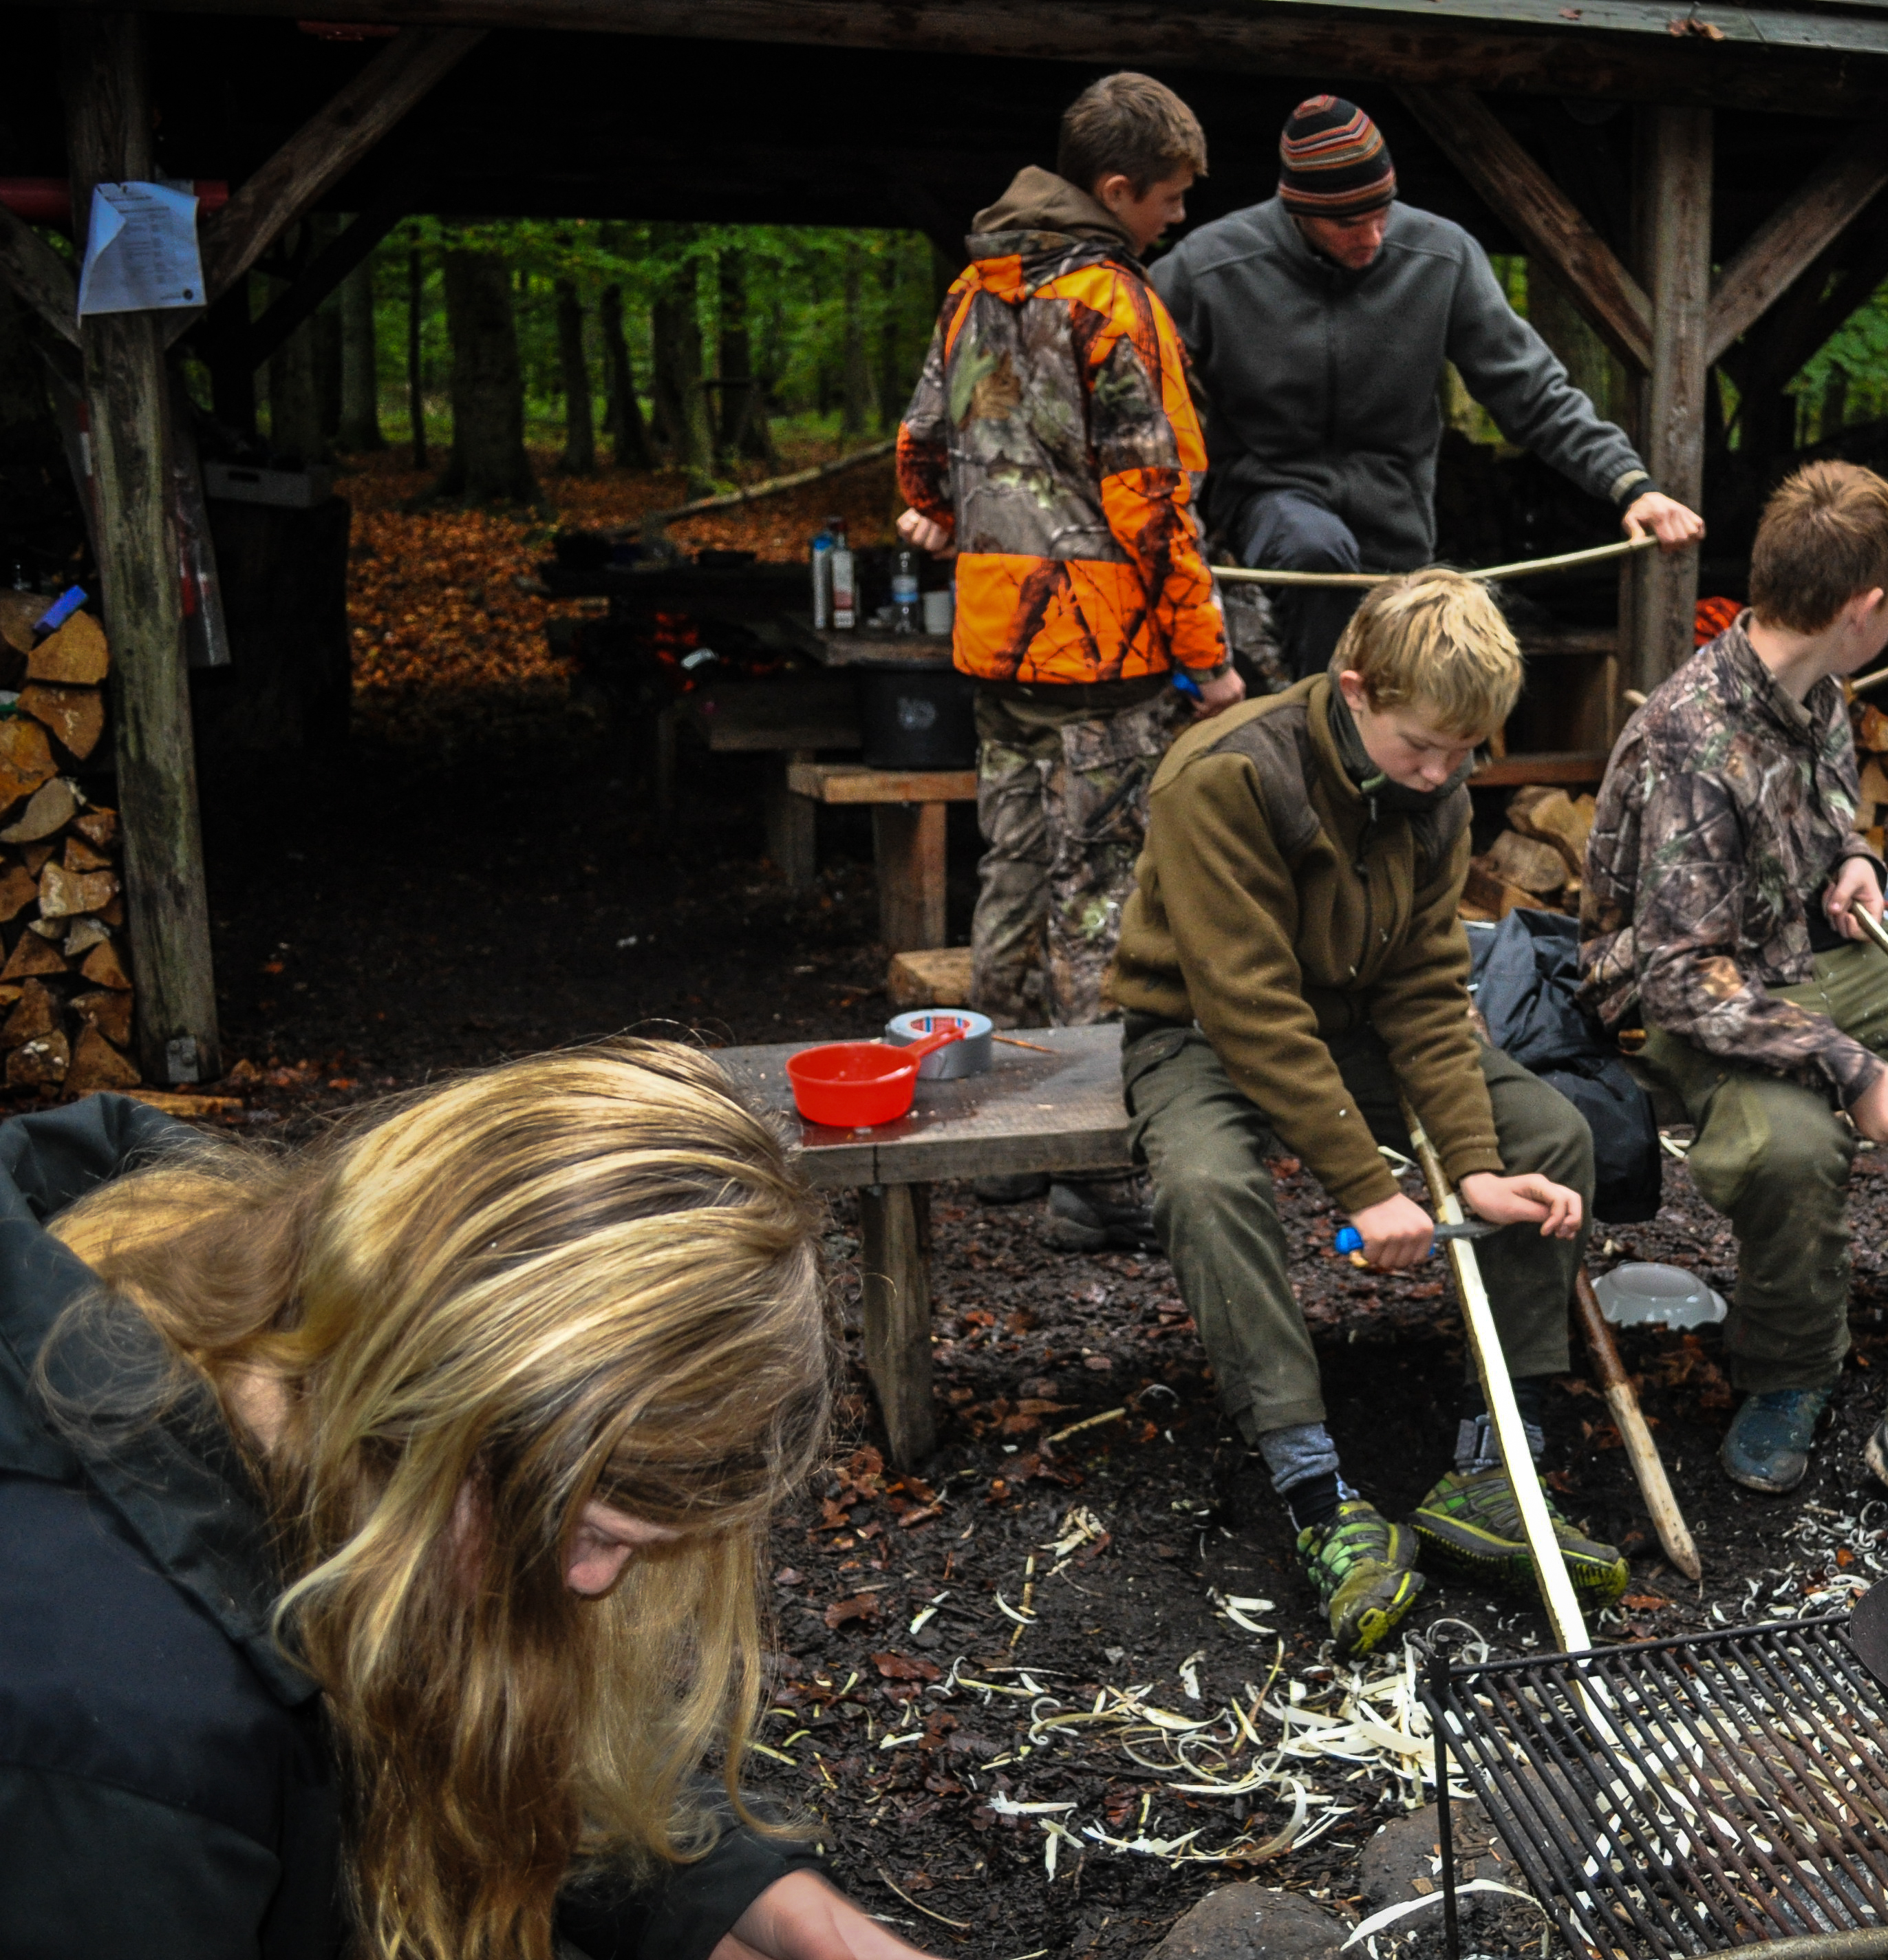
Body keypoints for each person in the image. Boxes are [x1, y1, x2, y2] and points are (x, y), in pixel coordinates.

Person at [0, 1047, 939, 1960]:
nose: (590, 1584)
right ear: (423, 1412)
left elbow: (461, 1713)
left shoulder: (269, 1293)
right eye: (589, 1532)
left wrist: (740, 1905)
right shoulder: (110, 1748)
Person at [1581, 461, 1888, 1555]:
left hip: (1809, 956)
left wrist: (1856, 860)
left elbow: (1829, 806)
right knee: (1790, 1145)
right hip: (1695, 992)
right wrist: (1852, 1070)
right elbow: (1679, 975)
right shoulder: (1688, 737)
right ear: (1863, 609)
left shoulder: (1818, 685)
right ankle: (1790, 1371)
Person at [1112, 568, 1622, 1654]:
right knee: (1206, 1186)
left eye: (1463, 754)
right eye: (1422, 749)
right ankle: (1313, 1493)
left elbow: (1426, 989)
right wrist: (1367, 1189)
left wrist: (1472, 1165)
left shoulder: (1438, 785)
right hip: (1202, 1028)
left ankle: (1493, 1468)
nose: (1442, 775)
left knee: (1551, 1136)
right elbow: (1249, 1008)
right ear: (1355, 691)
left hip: (1356, 1022)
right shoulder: (1225, 777)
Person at [897, 71, 1240, 1250]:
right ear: (1116, 189)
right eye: (1170, 197)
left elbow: (921, 448)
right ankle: (1091, 1171)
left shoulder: (973, 290)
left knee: (1009, 874)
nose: (1179, 216)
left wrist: (955, 516)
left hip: (996, 640)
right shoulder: (1111, 300)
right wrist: (1208, 657)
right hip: (1102, 658)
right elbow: (1155, 498)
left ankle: (994, 1144)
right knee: (1100, 900)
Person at [1150, 94, 1704, 673]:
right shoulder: (1208, 267)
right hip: (1270, 499)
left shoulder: (1442, 256)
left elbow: (1533, 390)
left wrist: (1630, 485)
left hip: (1397, 521)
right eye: (1348, 223)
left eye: (1382, 214)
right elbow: (1132, 382)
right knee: (1317, 552)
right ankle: (1322, 712)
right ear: (1298, 210)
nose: (1372, 237)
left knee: (1420, 674)